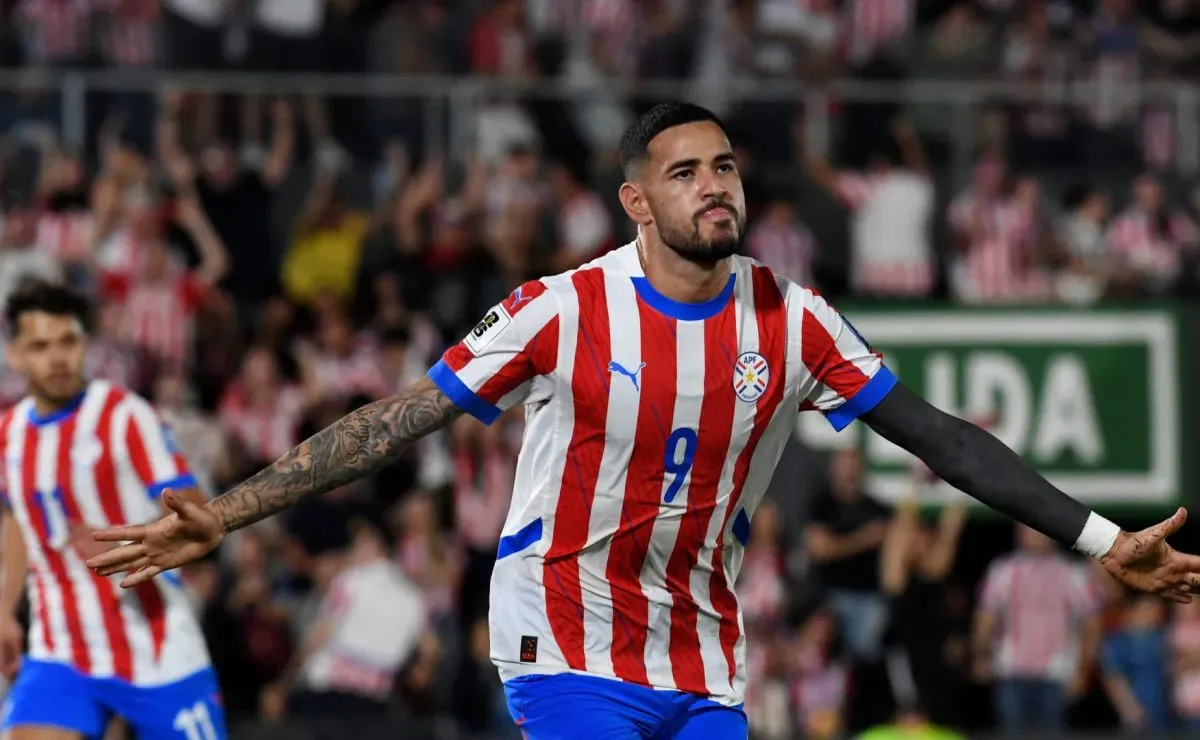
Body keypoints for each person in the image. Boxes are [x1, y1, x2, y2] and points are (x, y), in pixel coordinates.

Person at [88, 102, 1200, 740]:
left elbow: (940, 437)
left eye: (725, 167)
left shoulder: (795, 317)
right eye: (685, 173)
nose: (715, 186)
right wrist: (228, 512)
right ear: (637, 201)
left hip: (703, 649)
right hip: (563, 632)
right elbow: (397, 418)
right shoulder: (560, 308)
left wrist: (1103, 538)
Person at [0, 280, 227, 740]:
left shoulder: (126, 415)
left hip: (155, 647)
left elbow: (196, 510)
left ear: (84, 344)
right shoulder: (9, 434)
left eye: (67, 341)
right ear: (15, 356)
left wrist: (132, 535)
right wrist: (3, 608)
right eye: (41, 346)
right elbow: (19, 519)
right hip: (60, 650)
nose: (58, 357)